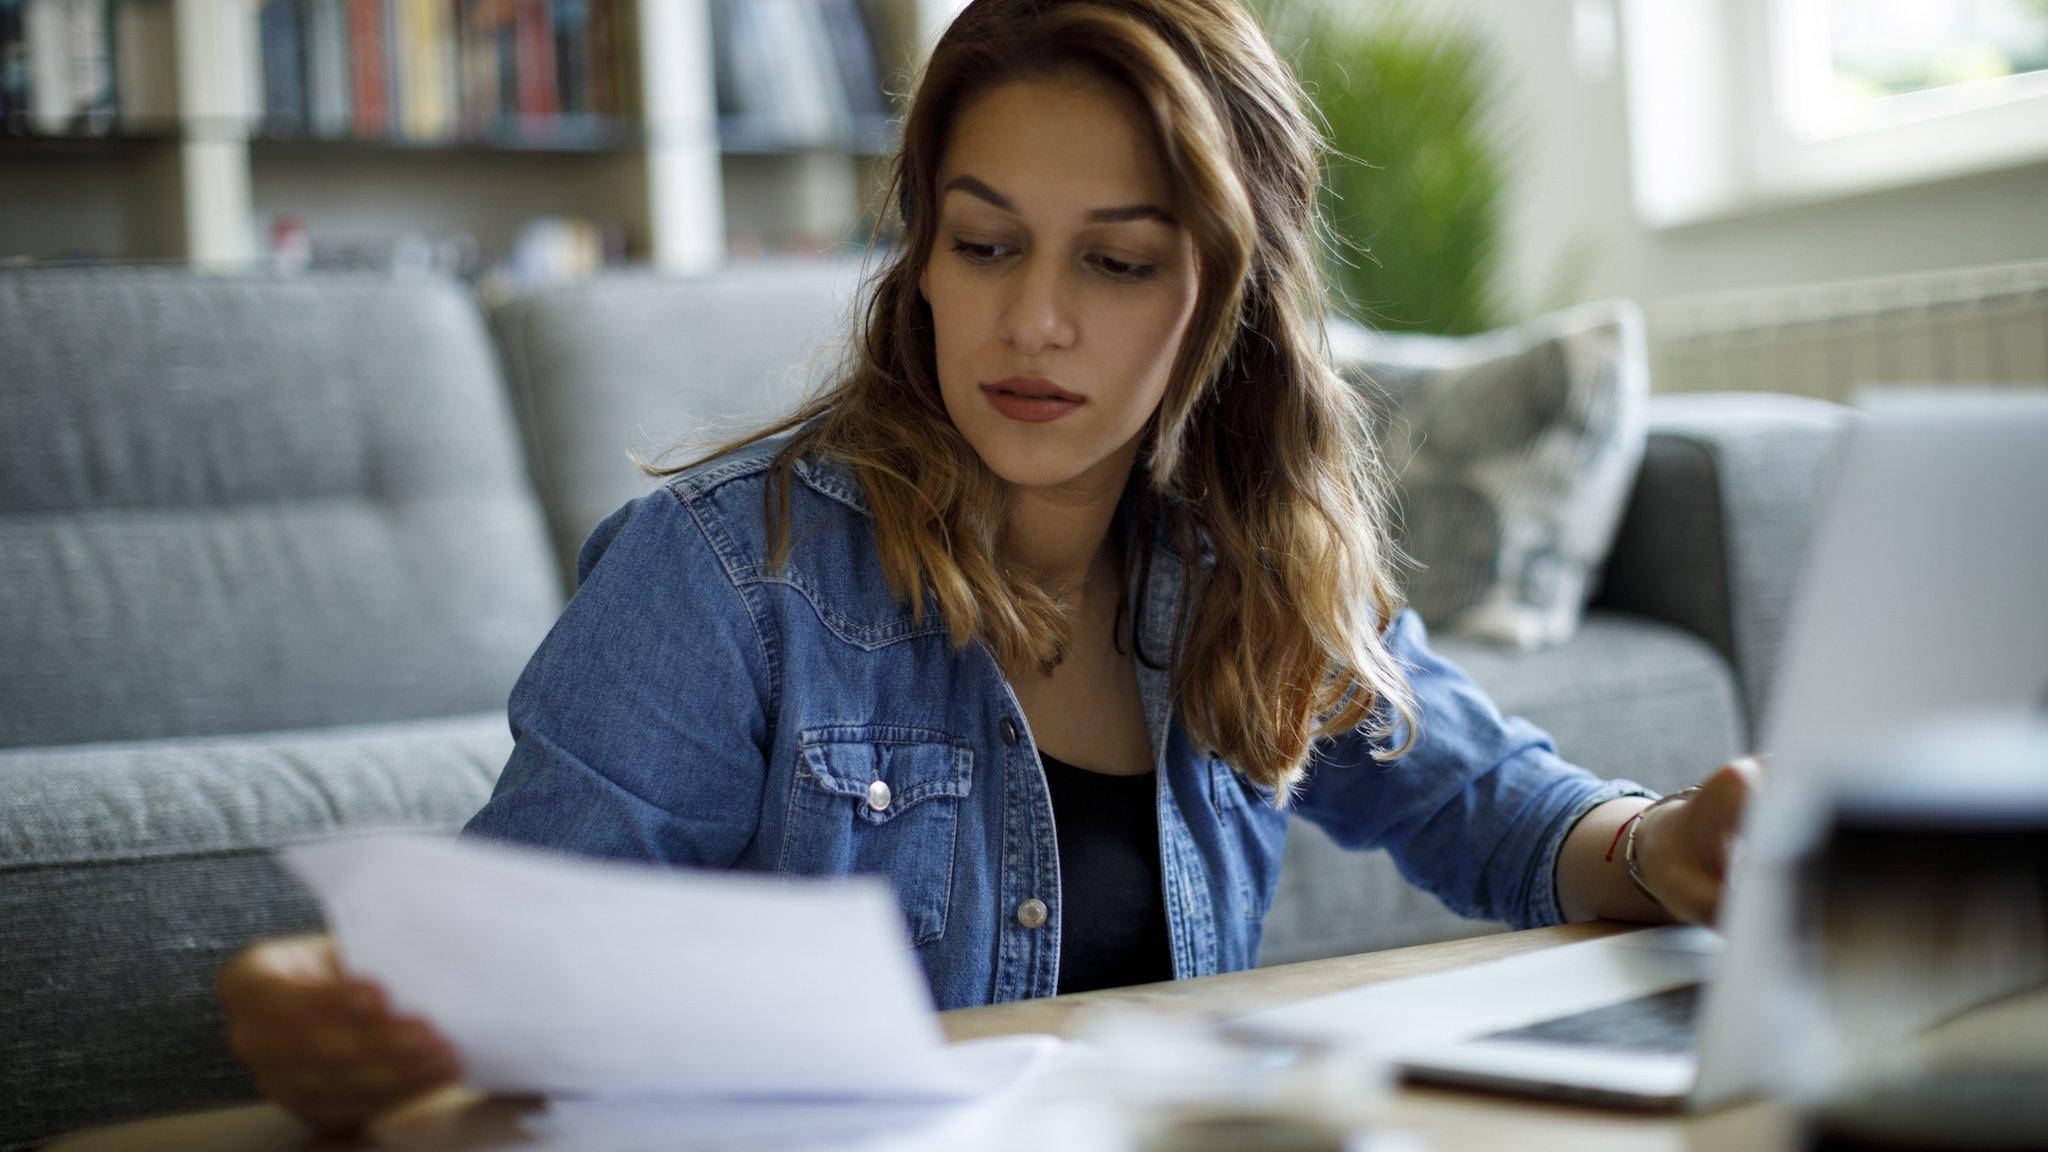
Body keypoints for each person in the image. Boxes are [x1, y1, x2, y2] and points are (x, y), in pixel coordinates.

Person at [216, 0, 1759, 1134]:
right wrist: (346, 1000)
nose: (1033, 323)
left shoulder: (1244, 565)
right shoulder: (721, 572)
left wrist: (1661, 841)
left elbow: (1482, 798)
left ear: (1229, 298)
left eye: (1117, 259)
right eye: (985, 243)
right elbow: (504, 954)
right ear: (922, 264)